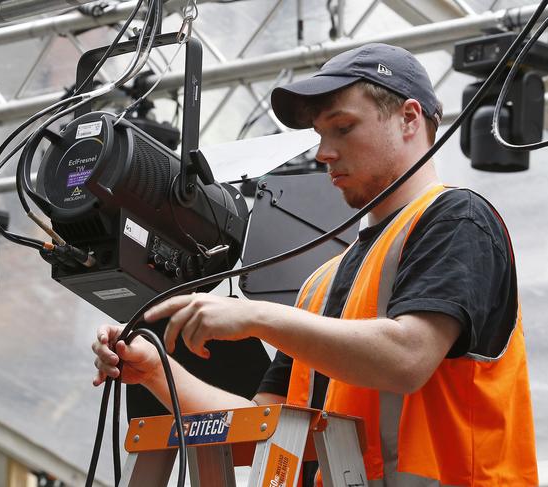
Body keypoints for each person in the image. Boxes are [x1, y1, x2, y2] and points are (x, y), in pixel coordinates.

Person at [92, 43, 537, 486]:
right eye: (320, 135)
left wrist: (256, 316)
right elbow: (261, 432)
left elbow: (408, 357)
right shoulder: (321, 284)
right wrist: (155, 373)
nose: (323, 152)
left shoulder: (457, 219)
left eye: (343, 128)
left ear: (409, 118)